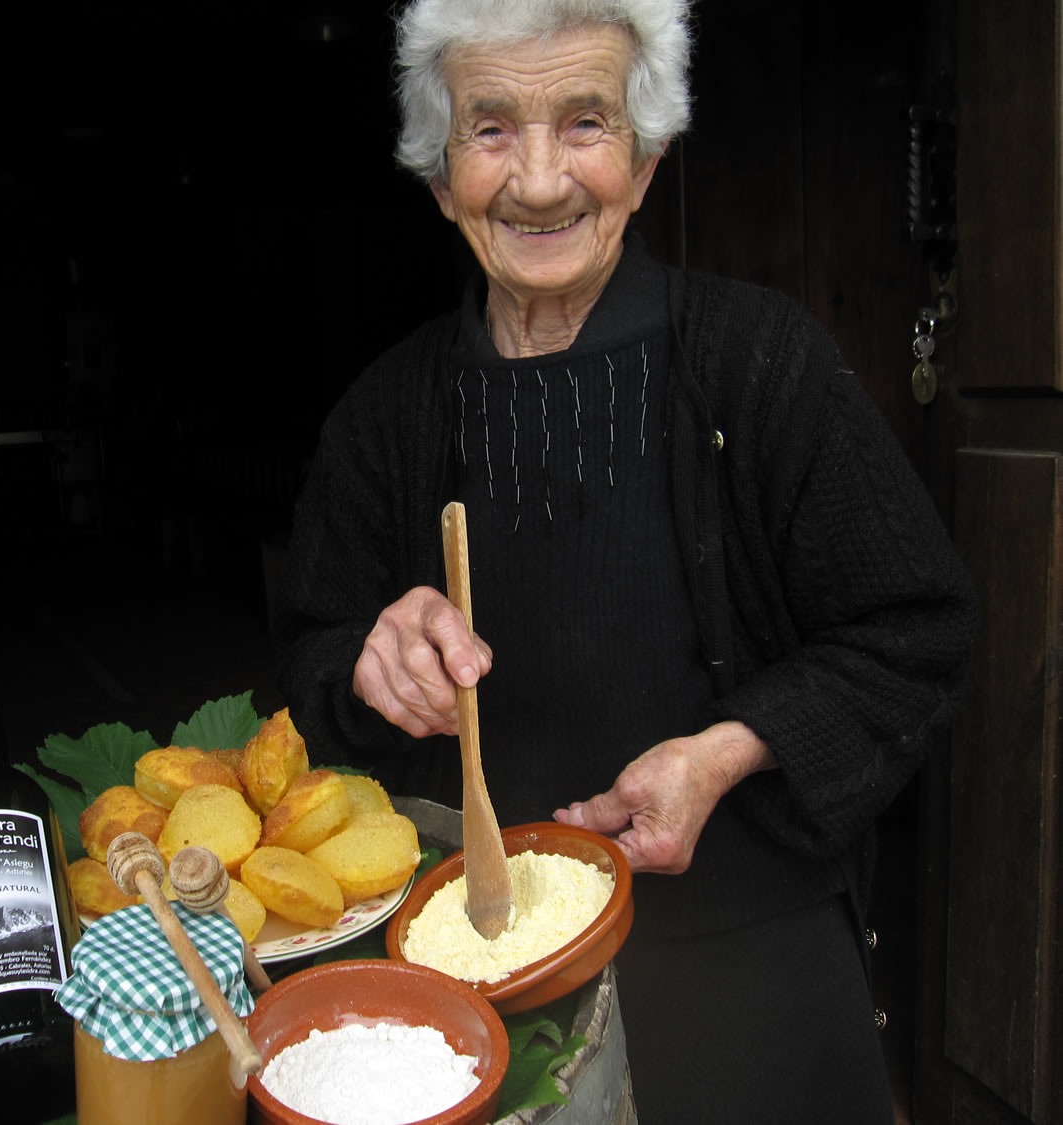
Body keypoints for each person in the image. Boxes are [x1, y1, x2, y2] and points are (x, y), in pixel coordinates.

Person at [274, 0, 978, 1120]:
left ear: (645, 163)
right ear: (440, 172)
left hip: (749, 954)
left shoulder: (761, 364)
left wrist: (732, 750)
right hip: (471, 980)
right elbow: (307, 663)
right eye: (492, 128)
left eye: (587, 124)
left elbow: (918, 629)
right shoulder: (384, 419)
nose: (541, 181)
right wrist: (368, 665)